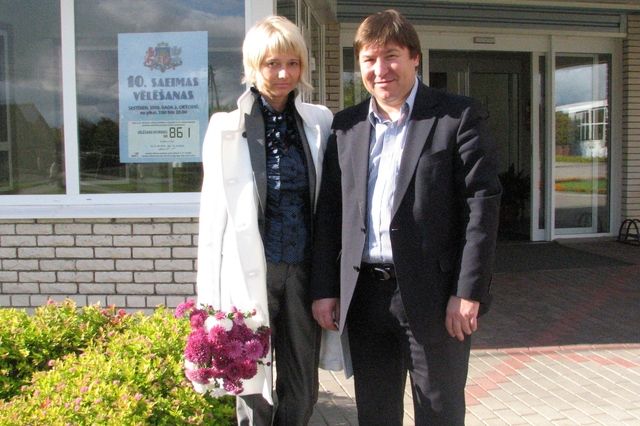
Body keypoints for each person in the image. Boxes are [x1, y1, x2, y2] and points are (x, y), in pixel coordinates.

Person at [311, 9, 501, 426]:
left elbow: (481, 207)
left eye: (391, 56)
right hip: (365, 297)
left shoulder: (456, 117)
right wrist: (325, 288)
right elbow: (330, 214)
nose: (380, 69)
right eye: (369, 59)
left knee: (439, 412)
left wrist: (468, 291)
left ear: (415, 57)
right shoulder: (346, 127)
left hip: (435, 299)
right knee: (375, 414)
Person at [196, 16, 333, 426]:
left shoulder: (319, 123)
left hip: (303, 273)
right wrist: (209, 302)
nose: (283, 74)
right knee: (250, 383)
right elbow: (212, 222)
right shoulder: (225, 129)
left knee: (303, 385)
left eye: (292, 63)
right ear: (253, 66)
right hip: (250, 272)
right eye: (273, 63)